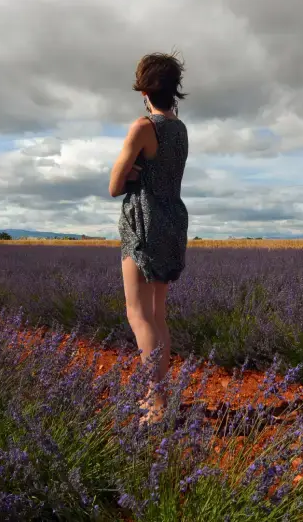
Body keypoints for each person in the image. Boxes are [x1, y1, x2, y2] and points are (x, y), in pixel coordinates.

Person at [108, 51, 189, 422]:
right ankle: (162, 398)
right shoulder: (181, 129)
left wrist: (136, 172)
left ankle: (156, 406)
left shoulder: (143, 127)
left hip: (144, 221)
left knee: (138, 314)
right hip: (173, 218)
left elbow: (113, 185)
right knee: (158, 315)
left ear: (144, 90)